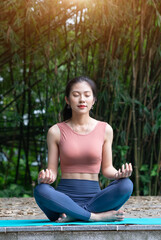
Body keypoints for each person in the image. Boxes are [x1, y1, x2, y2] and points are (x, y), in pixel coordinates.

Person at [34, 76, 133, 222]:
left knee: (126, 185)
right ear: (67, 100)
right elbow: (53, 172)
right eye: (76, 95)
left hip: (95, 200)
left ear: (93, 100)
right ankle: (93, 217)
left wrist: (119, 174)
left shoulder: (105, 129)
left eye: (87, 95)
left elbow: (107, 170)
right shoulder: (55, 131)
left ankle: (75, 215)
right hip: (63, 201)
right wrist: (46, 177)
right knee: (40, 190)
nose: (82, 99)